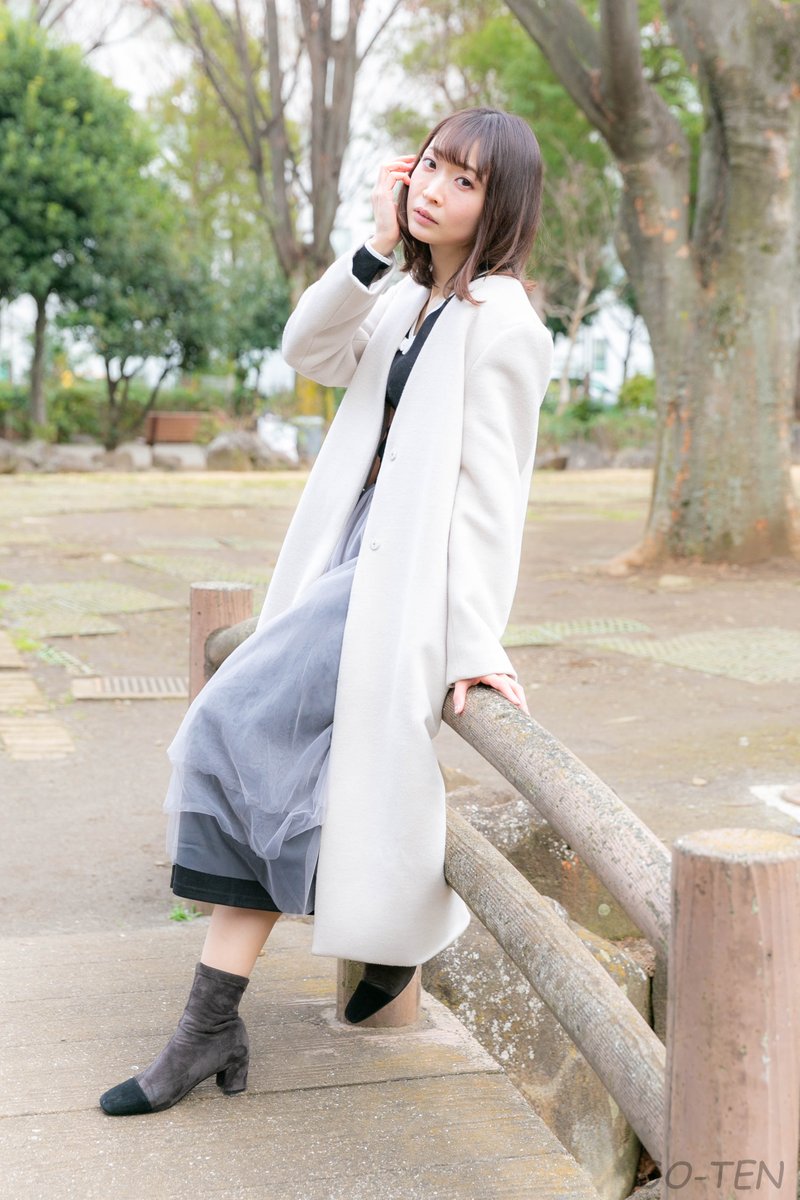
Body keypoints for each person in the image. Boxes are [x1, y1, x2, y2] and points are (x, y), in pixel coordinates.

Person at [99, 105, 553, 1117]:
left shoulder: (506, 325)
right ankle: (216, 1023)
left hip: (400, 578)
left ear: (502, 206)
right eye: (430, 165)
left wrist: (473, 640)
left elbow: (493, 499)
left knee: (229, 720)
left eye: (466, 181)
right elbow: (307, 349)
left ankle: (382, 935)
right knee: (274, 756)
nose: (435, 188)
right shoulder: (405, 298)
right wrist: (375, 249)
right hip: (346, 552)